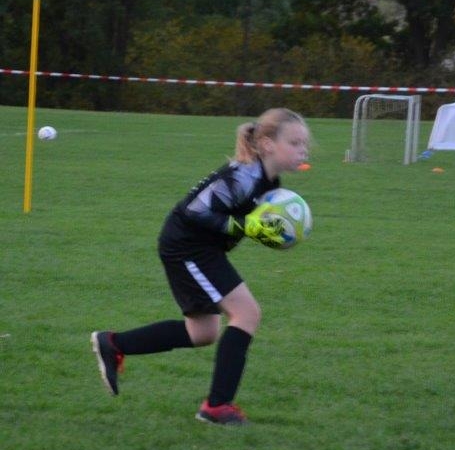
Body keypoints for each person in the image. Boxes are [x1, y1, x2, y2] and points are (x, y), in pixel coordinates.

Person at [91, 108, 311, 425]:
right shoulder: (243, 176)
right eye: (295, 142)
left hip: (202, 248)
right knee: (247, 313)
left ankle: (114, 344)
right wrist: (243, 226)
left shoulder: (269, 180)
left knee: (202, 332)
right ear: (267, 144)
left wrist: (263, 230)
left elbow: (244, 221)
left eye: (304, 144)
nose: (303, 150)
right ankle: (217, 407)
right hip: (187, 246)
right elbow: (195, 211)